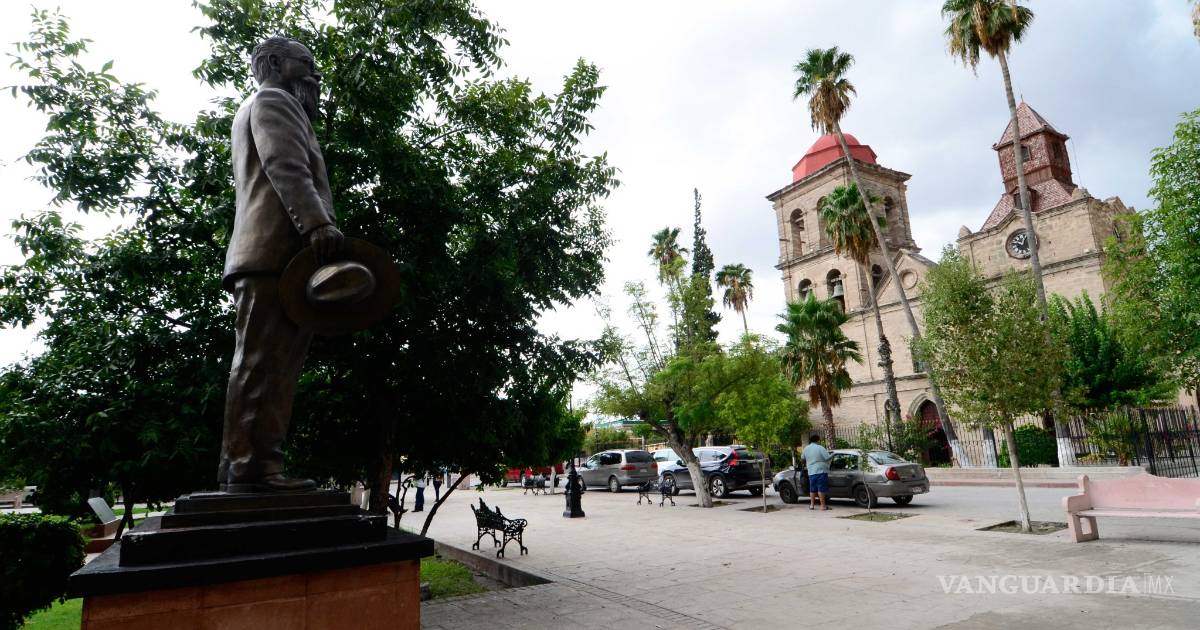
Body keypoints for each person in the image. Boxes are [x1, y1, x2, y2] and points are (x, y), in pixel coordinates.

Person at [218, 36, 344, 492]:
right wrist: (317, 225)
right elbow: (285, 165)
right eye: (305, 63)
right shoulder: (274, 101)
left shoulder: (252, 107)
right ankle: (254, 468)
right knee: (266, 365)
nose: (314, 73)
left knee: (263, 363)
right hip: (276, 254)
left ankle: (244, 464)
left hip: (266, 255)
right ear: (274, 62)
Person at [802, 433, 833, 511]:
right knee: (821, 489)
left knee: (812, 489)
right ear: (818, 440)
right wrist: (833, 454)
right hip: (821, 471)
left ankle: (812, 505)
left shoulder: (806, 448)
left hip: (811, 472)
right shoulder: (820, 448)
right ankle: (823, 506)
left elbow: (802, 458)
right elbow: (827, 458)